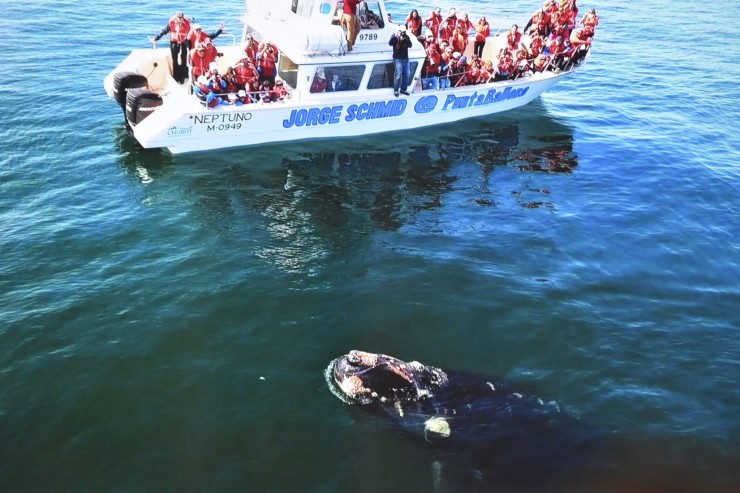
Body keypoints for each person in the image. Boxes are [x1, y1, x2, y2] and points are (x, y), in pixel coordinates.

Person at [152, 11, 191, 83]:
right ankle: (176, 77)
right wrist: (156, 38)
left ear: (183, 17)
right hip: (174, 43)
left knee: (183, 60)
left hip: (183, 43)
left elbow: (190, 34)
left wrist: (190, 44)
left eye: (181, 17)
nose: (180, 19)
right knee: (174, 61)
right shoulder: (171, 22)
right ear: (176, 17)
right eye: (178, 17)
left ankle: (182, 77)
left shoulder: (187, 23)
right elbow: (164, 31)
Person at [389, 25, 413, 97]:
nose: (403, 33)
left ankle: (403, 89)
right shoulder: (394, 36)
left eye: (404, 32)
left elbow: (410, 45)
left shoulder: (406, 36)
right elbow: (390, 43)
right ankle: (396, 90)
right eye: (402, 32)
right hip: (397, 58)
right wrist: (396, 37)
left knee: (407, 74)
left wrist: (406, 39)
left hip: (405, 58)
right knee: (398, 74)